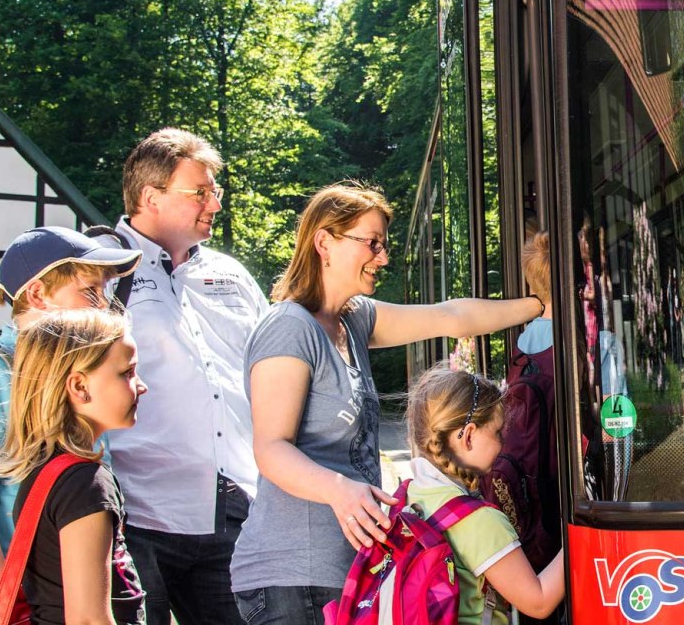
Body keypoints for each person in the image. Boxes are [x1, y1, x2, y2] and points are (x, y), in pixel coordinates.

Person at [230, 182, 549, 625]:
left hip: (343, 572)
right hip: (292, 579)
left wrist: (543, 303)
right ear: (324, 242)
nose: (382, 257)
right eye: (371, 243)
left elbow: (449, 318)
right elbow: (270, 448)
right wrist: (339, 490)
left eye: (384, 244)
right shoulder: (289, 328)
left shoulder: (353, 319)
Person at [99, 128, 269, 625]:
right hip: (138, 515)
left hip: (234, 508)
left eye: (215, 191)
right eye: (200, 191)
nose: (215, 203)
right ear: (151, 197)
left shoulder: (232, 275)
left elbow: (270, 370)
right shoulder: (100, 270)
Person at [0, 226, 141, 601]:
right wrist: (5, 612)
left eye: (106, 292)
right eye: (90, 291)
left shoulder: (75, 368)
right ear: (38, 294)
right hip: (15, 603)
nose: (104, 305)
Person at [0, 308, 149, 625]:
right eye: (127, 373)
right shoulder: (85, 485)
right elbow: (88, 619)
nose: (141, 385)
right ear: (79, 386)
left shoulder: (50, 471)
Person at [399, 367, 566, 625]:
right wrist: (580, 535)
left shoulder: (413, 494)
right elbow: (539, 601)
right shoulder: (478, 520)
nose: (503, 443)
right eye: (498, 432)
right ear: (468, 436)